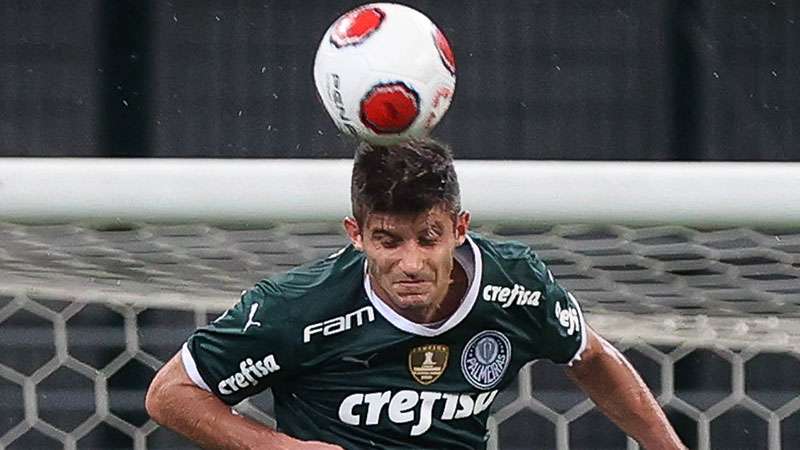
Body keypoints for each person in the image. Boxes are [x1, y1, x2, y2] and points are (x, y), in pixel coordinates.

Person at [146, 139, 685, 450]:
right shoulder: (296, 309)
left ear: (460, 228)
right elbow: (169, 393)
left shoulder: (515, 286)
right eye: (387, 240)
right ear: (355, 235)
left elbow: (588, 355)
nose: (410, 263)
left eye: (429, 238)